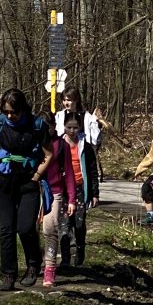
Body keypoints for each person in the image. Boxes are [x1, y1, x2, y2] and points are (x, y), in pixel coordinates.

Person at [0, 88, 52, 291]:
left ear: (23, 109)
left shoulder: (36, 126)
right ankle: (8, 275)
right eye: (6, 111)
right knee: (6, 229)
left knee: (24, 227)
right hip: (3, 181)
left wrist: (36, 175)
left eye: (13, 112)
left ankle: (33, 265)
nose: (9, 116)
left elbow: (48, 154)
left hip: (27, 182)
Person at [39, 111, 77, 287]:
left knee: (50, 228)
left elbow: (69, 172)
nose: (47, 130)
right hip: (34, 190)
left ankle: (50, 269)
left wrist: (72, 199)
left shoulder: (61, 145)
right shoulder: (33, 142)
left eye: (49, 126)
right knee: (29, 230)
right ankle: (34, 262)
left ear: (54, 126)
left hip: (55, 191)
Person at [60, 111, 100, 267]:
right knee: (64, 224)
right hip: (63, 190)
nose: (72, 131)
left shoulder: (86, 147)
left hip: (80, 188)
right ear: (64, 127)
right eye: (69, 127)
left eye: (75, 127)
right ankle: (65, 258)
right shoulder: (59, 145)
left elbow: (92, 171)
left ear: (80, 128)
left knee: (78, 222)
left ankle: (80, 249)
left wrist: (95, 194)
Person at [55, 87, 103, 181]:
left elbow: (95, 139)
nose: (66, 103)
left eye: (69, 100)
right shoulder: (59, 116)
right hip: (64, 156)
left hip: (81, 157)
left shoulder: (87, 117)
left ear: (76, 100)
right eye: (64, 100)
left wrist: (96, 123)